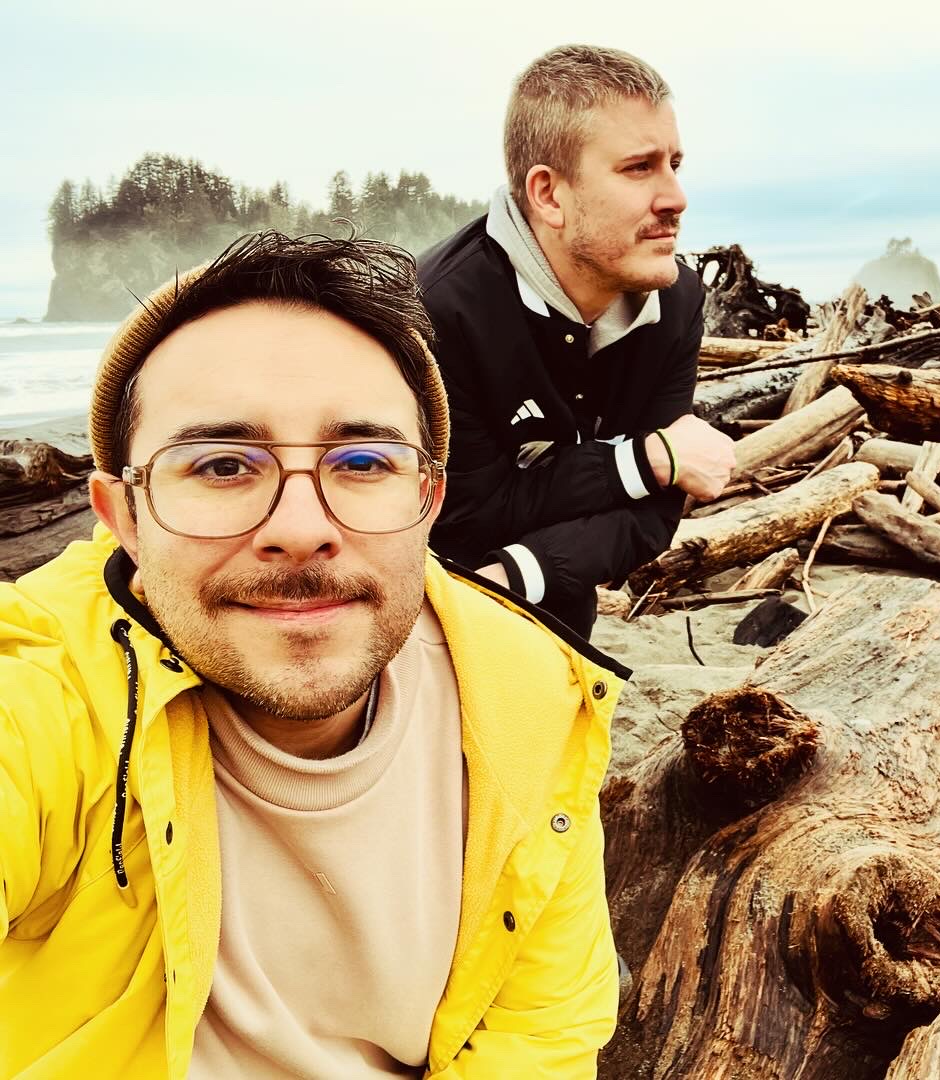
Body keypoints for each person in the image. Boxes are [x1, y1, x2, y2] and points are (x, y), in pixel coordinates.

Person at [0, 231, 624, 1078]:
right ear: (124, 519)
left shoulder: (535, 699)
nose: (301, 530)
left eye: (364, 461)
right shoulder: (42, 685)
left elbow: (541, 1039)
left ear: (429, 497)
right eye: (223, 465)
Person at [420, 44, 736, 637]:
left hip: (548, 604)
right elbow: (467, 516)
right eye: (639, 167)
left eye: (675, 163)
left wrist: (520, 574)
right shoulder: (441, 310)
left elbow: (657, 510)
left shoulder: (676, 301)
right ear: (548, 194)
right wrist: (643, 460)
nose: (675, 198)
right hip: (433, 622)